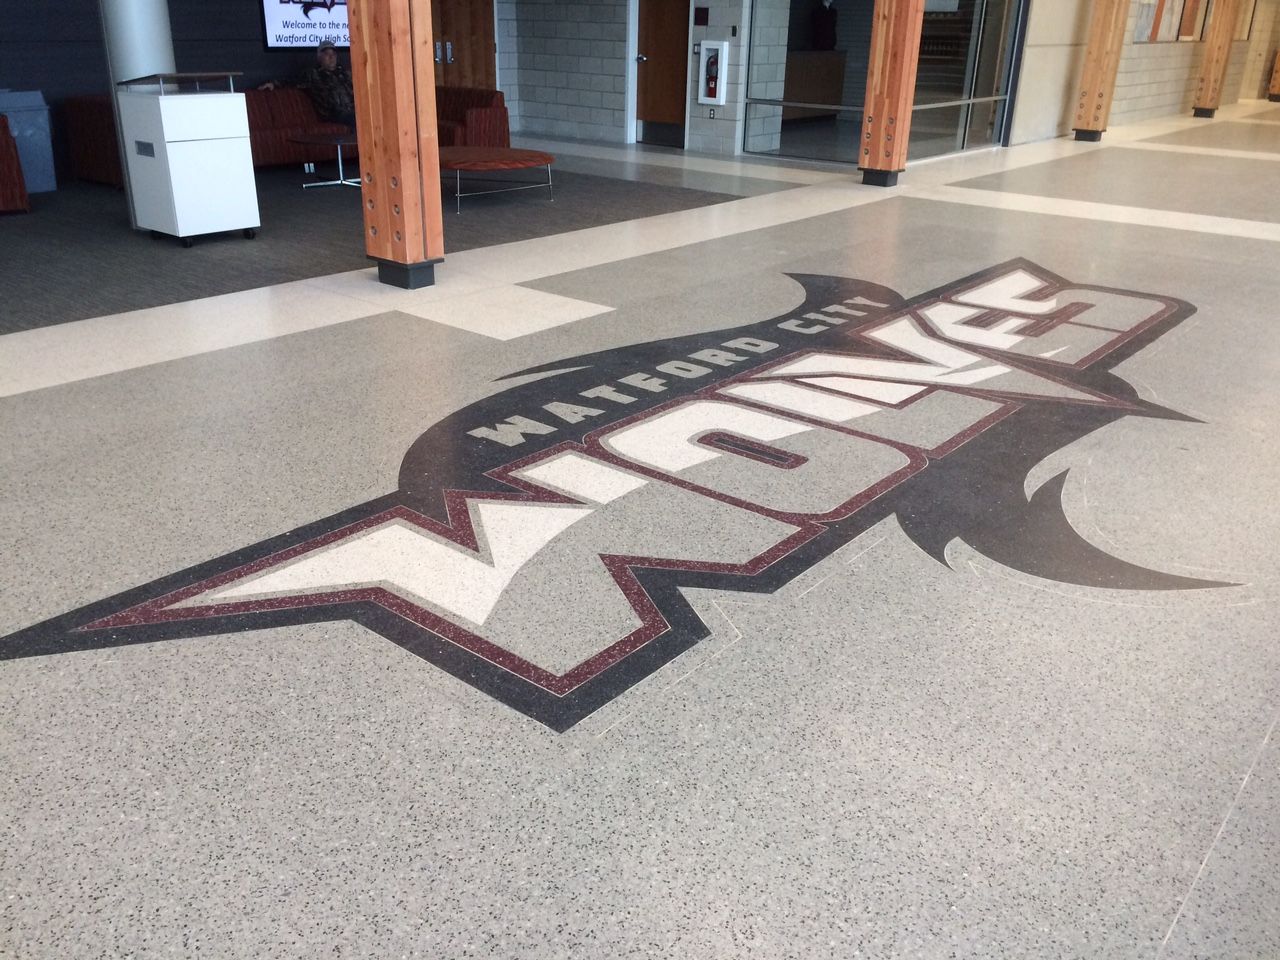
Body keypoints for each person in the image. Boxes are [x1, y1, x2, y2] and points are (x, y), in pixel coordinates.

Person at [259, 40, 356, 129]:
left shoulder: (343, 73)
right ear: (319, 56)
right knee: (356, 119)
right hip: (333, 114)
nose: (331, 57)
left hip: (352, 110)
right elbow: (291, 81)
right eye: (327, 54)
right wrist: (273, 84)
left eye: (333, 54)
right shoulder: (312, 74)